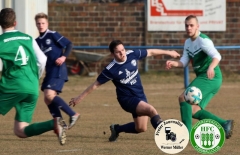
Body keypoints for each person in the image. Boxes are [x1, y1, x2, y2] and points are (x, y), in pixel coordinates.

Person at [69, 40, 180, 141]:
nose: (122, 53)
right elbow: (95, 85)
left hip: (140, 96)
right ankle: (168, 136)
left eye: (123, 50)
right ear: (112, 54)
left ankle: (116, 129)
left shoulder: (132, 55)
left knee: (141, 128)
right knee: (151, 110)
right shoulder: (110, 69)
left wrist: (169, 52)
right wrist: (79, 98)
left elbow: (150, 52)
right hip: (127, 99)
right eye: (118, 52)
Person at [0, 8, 67, 145]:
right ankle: (54, 123)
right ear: (15, 22)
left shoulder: (1, 41)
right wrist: (35, 77)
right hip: (31, 86)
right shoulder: (28, 38)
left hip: (13, 84)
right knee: (20, 130)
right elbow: (42, 59)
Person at [165, 15, 234, 138]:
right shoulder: (187, 42)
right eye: (186, 25)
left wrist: (211, 67)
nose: (189, 28)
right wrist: (174, 63)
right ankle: (224, 124)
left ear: (198, 26)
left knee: (183, 98)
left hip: (211, 77)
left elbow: (217, 56)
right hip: (208, 78)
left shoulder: (203, 40)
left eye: (191, 25)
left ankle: (187, 133)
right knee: (193, 110)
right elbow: (184, 61)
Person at [34, 13, 80, 129]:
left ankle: (73, 114)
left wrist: (63, 57)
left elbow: (69, 44)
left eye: (43, 23)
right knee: (47, 99)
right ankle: (60, 123)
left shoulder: (53, 35)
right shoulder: (36, 42)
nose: (41, 25)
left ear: (47, 24)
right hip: (49, 72)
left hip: (58, 70)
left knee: (49, 95)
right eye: (38, 23)